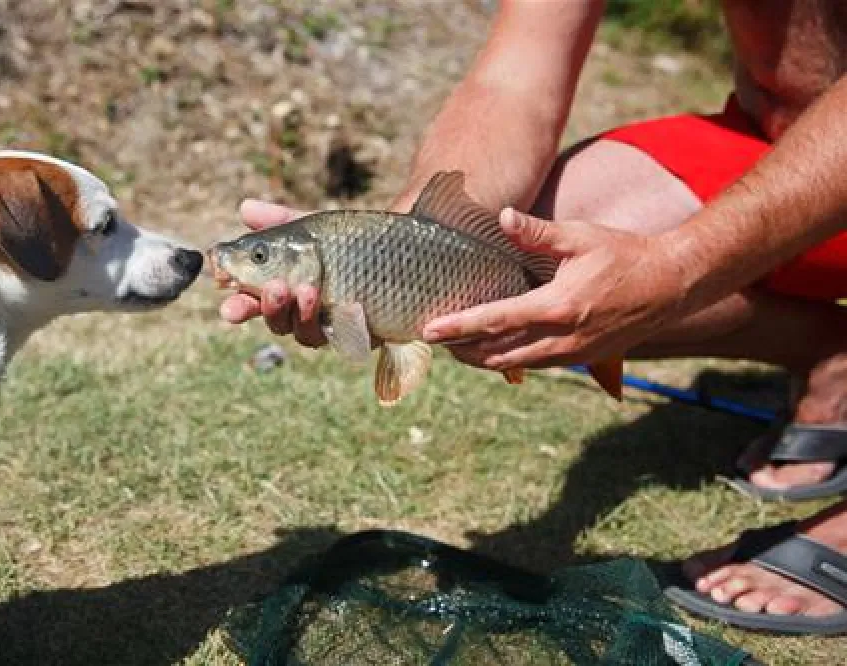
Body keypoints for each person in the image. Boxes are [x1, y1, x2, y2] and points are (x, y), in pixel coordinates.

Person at [221, 0, 847, 633]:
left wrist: (676, 266)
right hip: (768, 137)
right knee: (556, 232)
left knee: (619, 271)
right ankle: (830, 352)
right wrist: (409, 238)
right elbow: (513, 79)